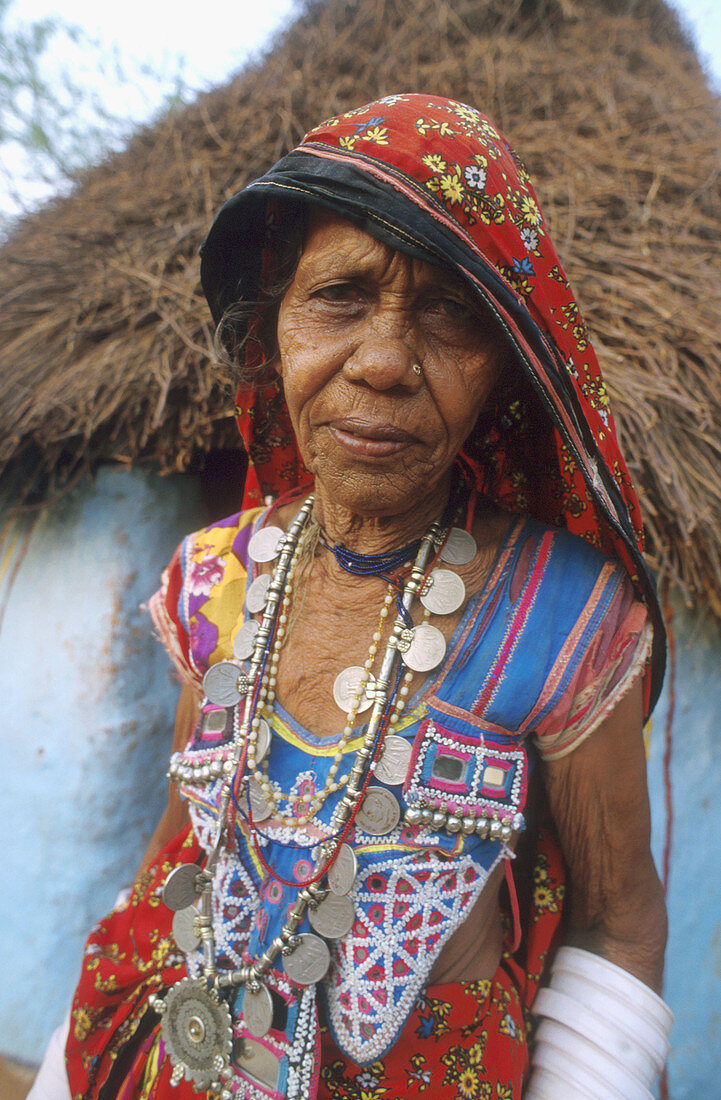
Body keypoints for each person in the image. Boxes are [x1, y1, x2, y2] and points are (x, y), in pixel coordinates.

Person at [54, 94, 669, 1100]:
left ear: (505, 373)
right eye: (339, 296)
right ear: (271, 333)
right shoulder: (211, 580)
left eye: (449, 312)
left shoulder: (564, 616)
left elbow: (616, 917)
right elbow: (176, 848)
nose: (384, 361)